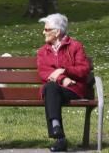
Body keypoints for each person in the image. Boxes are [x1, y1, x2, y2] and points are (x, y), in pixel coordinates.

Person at [36, 13, 91, 152]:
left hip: (73, 89)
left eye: (47, 29)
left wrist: (63, 70)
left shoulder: (75, 46)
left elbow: (84, 69)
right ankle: (58, 132)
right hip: (55, 88)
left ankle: (58, 136)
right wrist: (62, 78)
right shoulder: (43, 51)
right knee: (50, 88)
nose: (43, 32)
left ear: (57, 32)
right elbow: (44, 72)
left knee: (50, 90)